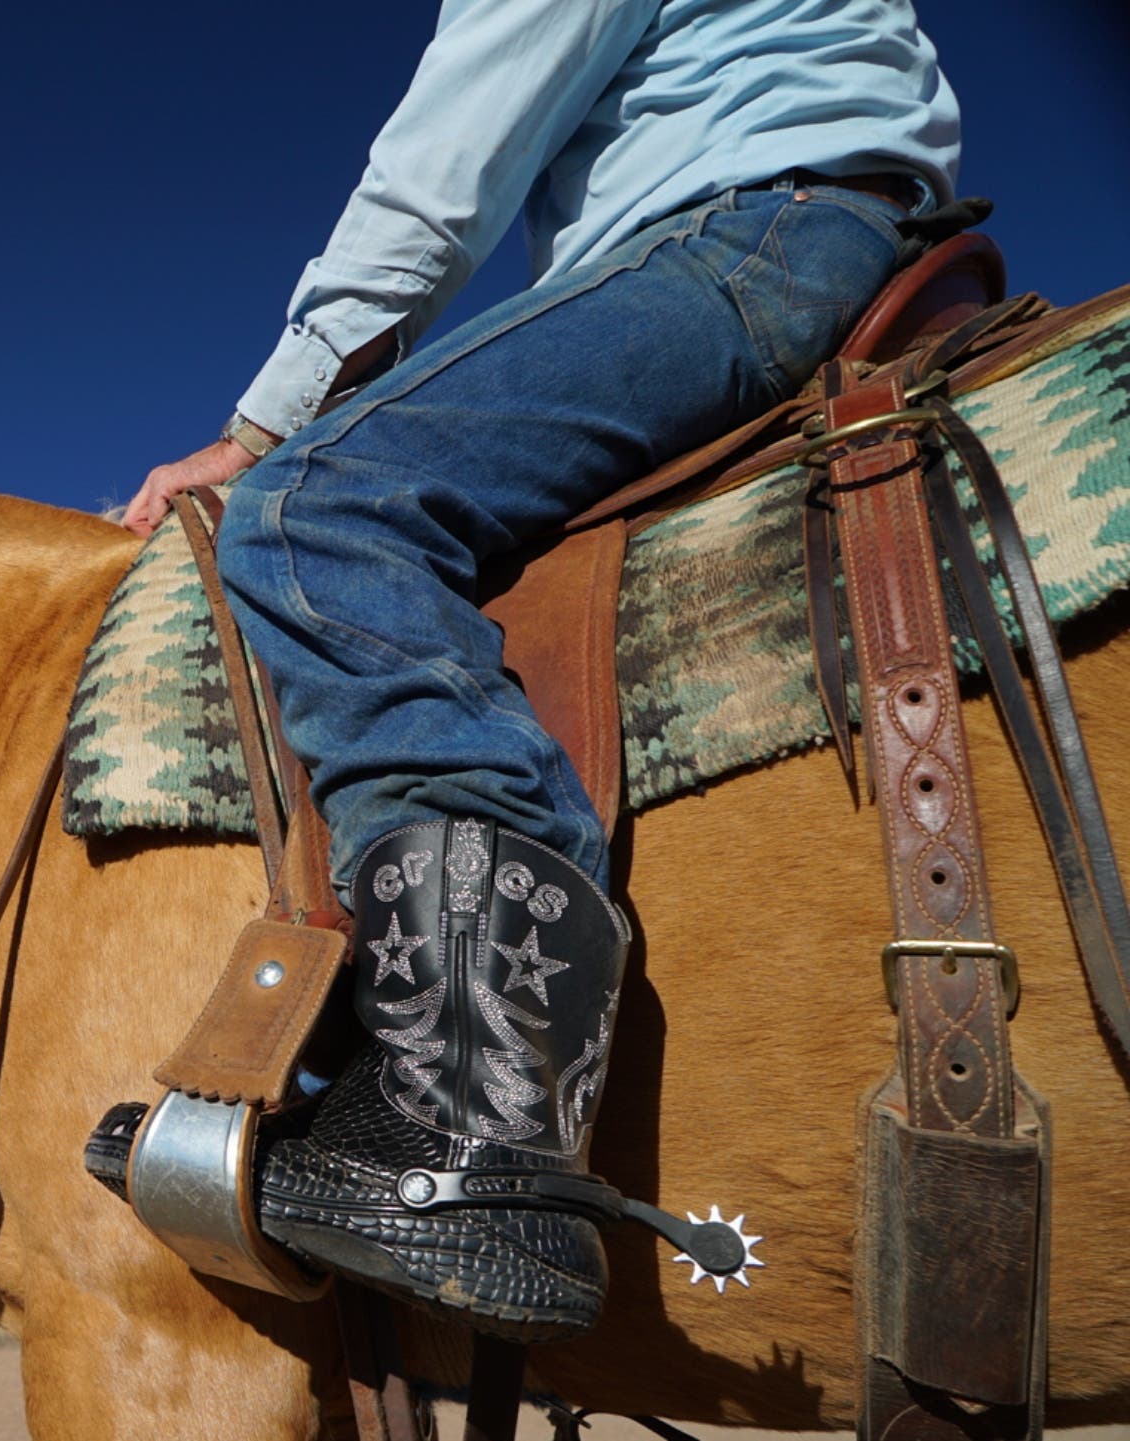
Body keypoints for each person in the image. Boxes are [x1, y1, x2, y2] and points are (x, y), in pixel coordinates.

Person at [116, 0, 958, 1341]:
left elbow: (458, 152)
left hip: (746, 229)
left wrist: (267, 420)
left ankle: (474, 1109)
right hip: (826, 215)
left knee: (304, 514)